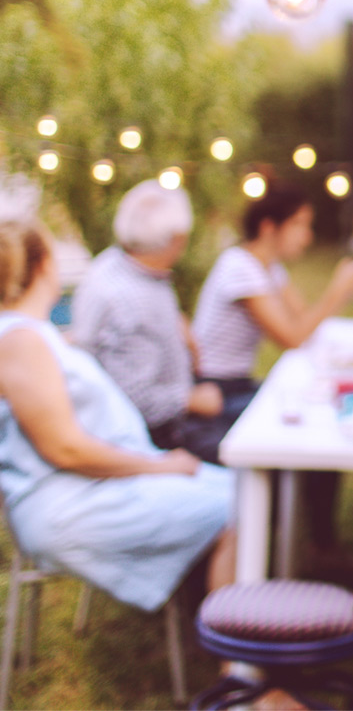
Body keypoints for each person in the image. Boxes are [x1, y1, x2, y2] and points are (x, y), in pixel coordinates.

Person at [0, 219, 235, 613]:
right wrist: (158, 466)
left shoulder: (34, 336)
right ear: (42, 267)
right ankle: (242, 663)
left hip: (93, 490)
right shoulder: (21, 341)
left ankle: (240, 633)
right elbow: (65, 449)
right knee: (245, 506)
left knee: (247, 490)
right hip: (72, 503)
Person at [192, 181, 353, 569]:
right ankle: (303, 548)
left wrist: (338, 297)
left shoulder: (268, 268)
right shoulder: (239, 269)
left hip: (236, 384)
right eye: (300, 225)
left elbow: (302, 325)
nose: (307, 237)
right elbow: (292, 338)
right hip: (214, 391)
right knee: (311, 423)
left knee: (320, 417)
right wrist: (337, 291)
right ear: (269, 227)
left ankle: (315, 544)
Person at [70, 180, 232, 463]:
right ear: (177, 239)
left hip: (159, 418)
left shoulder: (113, 264)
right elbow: (134, 401)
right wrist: (192, 399)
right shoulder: (133, 301)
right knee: (262, 451)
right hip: (155, 439)